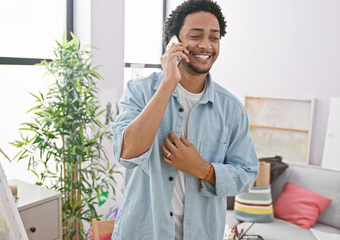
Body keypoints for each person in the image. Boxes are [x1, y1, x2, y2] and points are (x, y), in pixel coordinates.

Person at [111, 0, 259, 239]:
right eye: (195, 35)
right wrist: (168, 82)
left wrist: (203, 169)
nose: (205, 45)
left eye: (214, 37)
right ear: (173, 41)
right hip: (143, 232)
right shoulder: (139, 91)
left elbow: (247, 175)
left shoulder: (232, 109)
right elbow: (127, 153)